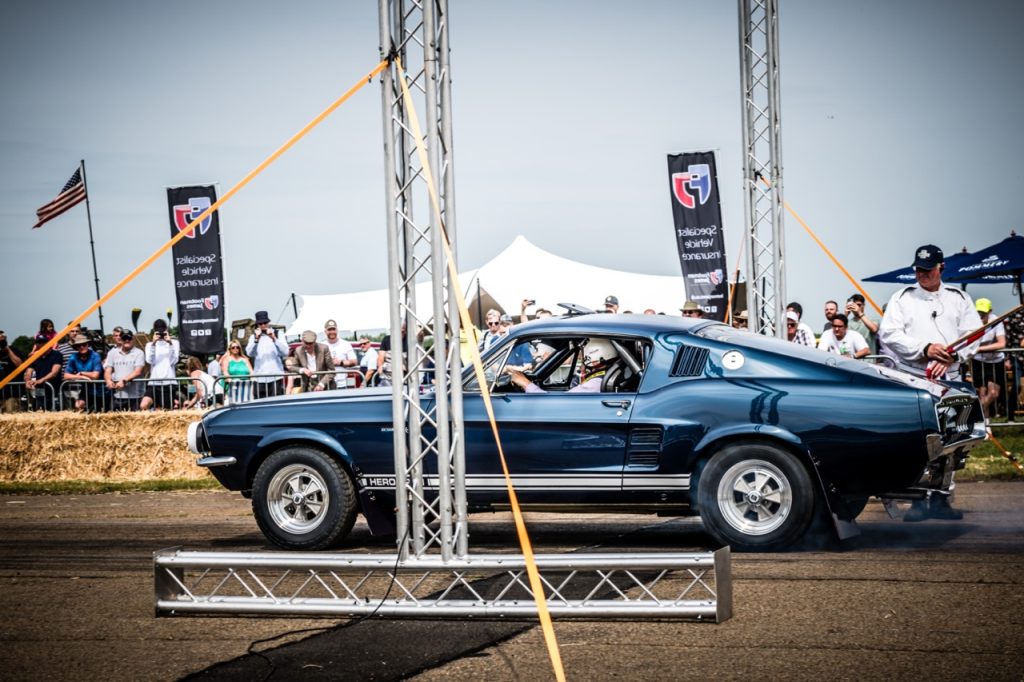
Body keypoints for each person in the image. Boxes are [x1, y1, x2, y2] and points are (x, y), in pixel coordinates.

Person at [879, 244, 983, 522]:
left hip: (949, 379)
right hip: (913, 376)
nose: (922, 275)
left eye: (927, 270)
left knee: (951, 441)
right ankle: (916, 499)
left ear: (941, 268)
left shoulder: (959, 298)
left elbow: (974, 335)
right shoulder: (902, 298)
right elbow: (889, 334)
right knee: (918, 441)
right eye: (918, 270)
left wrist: (952, 356)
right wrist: (925, 348)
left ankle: (941, 499)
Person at [506, 338, 619, 393]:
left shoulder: (595, 383)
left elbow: (555, 405)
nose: (581, 356)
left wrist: (526, 383)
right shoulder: (604, 376)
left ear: (593, 354)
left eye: (583, 351)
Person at [969, 298, 1007, 416]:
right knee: (982, 393)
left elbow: (1001, 343)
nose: (980, 315)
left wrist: (979, 348)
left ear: (990, 311)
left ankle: (974, 413)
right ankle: (986, 428)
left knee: (994, 393)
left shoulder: (996, 321)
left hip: (995, 361)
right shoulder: (971, 321)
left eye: (983, 312)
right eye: (978, 312)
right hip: (978, 361)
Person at [245, 310, 288, 398]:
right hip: (260, 378)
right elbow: (249, 353)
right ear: (257, 325)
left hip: (276, 377)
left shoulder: (278, 334)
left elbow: (285, 352)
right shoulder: (253, 337)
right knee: (260, 406)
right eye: (261, 324)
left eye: (265, 323)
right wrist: (256, 340)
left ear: (268, 323)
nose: (263, 325)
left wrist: (274, 338)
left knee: (276, 404)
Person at [141, 319, 180, 410]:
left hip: (169, 382)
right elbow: (150, 361)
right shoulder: (149, 345)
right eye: (159, 332)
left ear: (166, 329)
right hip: (154, 382)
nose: (161, 334)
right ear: (155, 331)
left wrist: (170, 344)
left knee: (166, 410)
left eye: (162, 331)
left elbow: (173, 361)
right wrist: (154, 344)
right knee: (143, 405)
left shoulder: (175, 343)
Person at [103, 329, 145, 411]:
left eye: (129, 338)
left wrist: (123, 381)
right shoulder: (112, 353)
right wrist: (108, 380)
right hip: (117, 395)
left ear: (133, 339)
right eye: (124, 338)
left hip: (135, 396)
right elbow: (108, 370)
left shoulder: (139, 352)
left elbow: (138, 371)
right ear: (120, 339)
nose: (127, 340)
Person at [63, 334, 104, 411]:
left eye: (84, 344)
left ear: (87, 345)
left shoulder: (95, 356)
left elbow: (95, 375)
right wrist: (80, 377)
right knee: (78, 405)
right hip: (87, 390)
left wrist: (82, 373)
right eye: (79, 345)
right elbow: (66, 375)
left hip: (101, 391)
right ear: (76, 347)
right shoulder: (74, 357)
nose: (82, 347)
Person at [23, 334, 63, 411]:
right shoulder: (34, 356)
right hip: (40, 390)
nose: (41, 345)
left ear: (49, 343)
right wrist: (27, 381)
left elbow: (54, 372)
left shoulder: (57, 355)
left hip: (55, 389)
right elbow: (29, 370)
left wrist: (40, 381)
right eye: (39, 343)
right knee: (40, 411)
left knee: (55, 412)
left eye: (43, 342)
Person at [322, 319, 357, 389]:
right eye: (329, 330)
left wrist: (340, 362)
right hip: (326, 384)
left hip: (343, 384)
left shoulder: (345, 344)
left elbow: (354, 361)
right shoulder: (321, 345)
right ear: (325, 331)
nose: (332, 332)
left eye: (333, 329)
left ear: (337, 330)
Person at [0, 329, 24, 413]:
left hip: (12, 394)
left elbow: (20, 364)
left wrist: (8, 350)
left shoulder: (14, 350)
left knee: (12, 416)